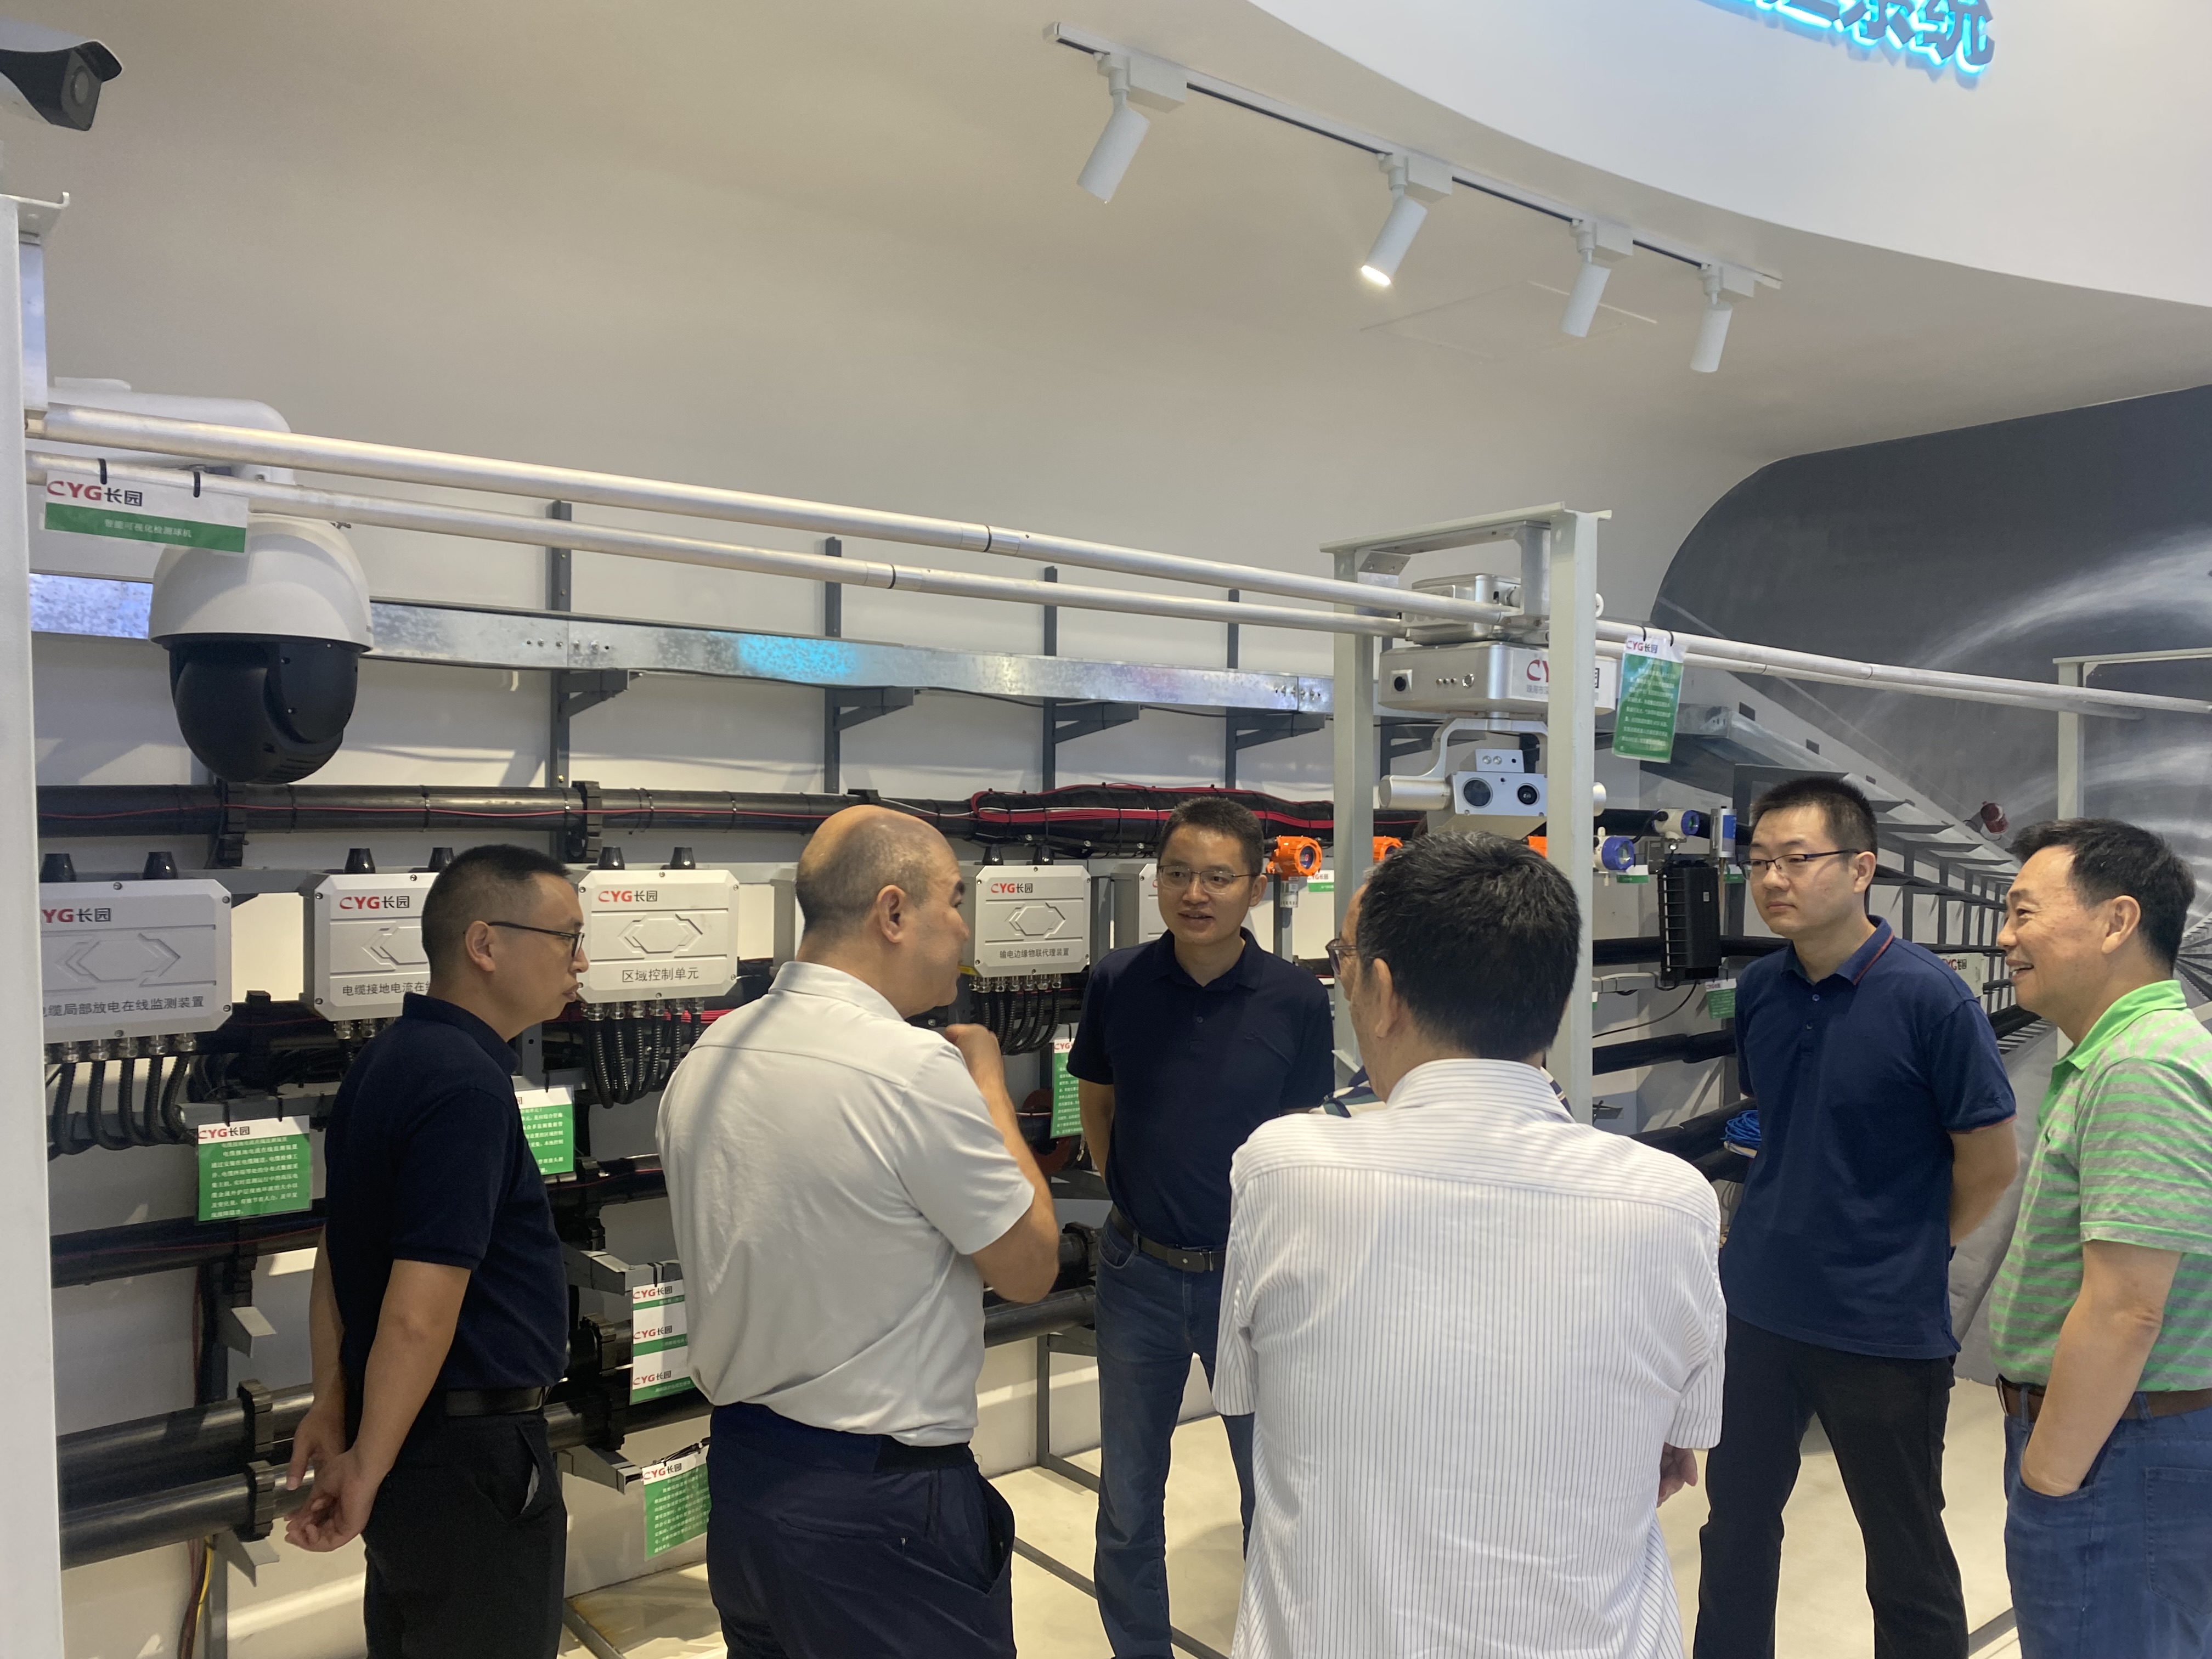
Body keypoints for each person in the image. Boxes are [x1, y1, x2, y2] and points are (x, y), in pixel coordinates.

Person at [1215, 832, 1725, 1658]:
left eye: (1345, 961)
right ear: (1557, 1001)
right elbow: (1675, 1445)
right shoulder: (1674, 1202)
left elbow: (1246, 1392)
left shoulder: (1283, 1168)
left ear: (1383, 992)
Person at [658, 805, 1060, 1659]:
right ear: (893, 911)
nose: (964, 929)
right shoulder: (912, 1070)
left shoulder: (707, 1059)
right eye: (954, 901)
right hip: (881, 1509)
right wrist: (989, 1086)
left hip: (747, 1485)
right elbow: (1030, 1268)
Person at [1695, 776, 2019, 1659]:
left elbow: (1991, 1165)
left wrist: (1908, 1245)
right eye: (1760, 861)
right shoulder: (1761, 991)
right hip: (1758, 1310)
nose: (1773, 880)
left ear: (1862, 868)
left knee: (1904, 1553)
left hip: (1882, 1326)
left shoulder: (1931, 999)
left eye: (1797, 859)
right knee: (1735, 1528)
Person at [284, 844, 584, 1659]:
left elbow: (338, 1251)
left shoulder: (386, 1061)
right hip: (470, 1464)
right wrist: (363, 1468)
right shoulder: (466, 1086)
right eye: (566, 938)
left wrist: (336, 1408)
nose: (580, 963)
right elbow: (419, 1313)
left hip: (413, 1453)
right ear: (484, 944)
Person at [1069, 795, 1334, 1657]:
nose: (1195, 894)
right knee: (1128, 1496)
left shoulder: (1295, 999)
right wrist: (1128, 1190)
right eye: (1178, 874)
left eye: (1218, 877)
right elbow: (1099, 1102)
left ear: (1255, 887)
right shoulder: (1118, 981)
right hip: (1137, 1274)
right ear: (1157, 881)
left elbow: (1300, 1139)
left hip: (1254, 1279)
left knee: (1271, 1491)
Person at [1985, 819, 2212, 1658]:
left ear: (2117, 922)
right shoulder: (2129, 1054)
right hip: (2121, 1443)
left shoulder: (2139, 1067)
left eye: (2024, 913)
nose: (2005, 938)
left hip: (2120, 1452)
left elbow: (2125, 1310)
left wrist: (2050, 1481)